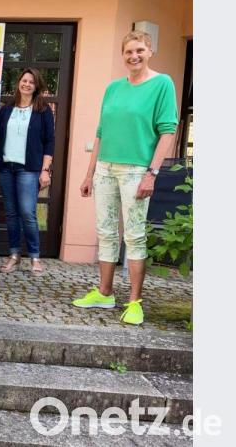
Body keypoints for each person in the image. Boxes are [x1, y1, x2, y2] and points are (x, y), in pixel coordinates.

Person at [73, 31, 178, 325]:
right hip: (105, 168)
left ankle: (134, 302)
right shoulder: (113, 88)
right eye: (129, 51)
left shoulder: (162, 84)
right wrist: (89, 173)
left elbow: (168, 131)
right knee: (106, 231)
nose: (134, 56)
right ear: (123, 55)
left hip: (136, 170)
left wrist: (152, 173)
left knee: (133, 235)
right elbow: (101, 132)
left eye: (140, 50)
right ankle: (104, 293)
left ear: (150, 51)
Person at [0, 68, 55, 275]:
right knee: (11, 213)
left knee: (27, 212)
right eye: (24, 80)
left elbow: (49, 142)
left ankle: (34, 256)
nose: (27, 84)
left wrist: (45, 170)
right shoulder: (6, 109)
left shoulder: (43, 111)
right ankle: (14, 255)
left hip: (29, 169)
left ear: (36, 86)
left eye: (31, 82)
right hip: (6, 168)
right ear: (19, 82)